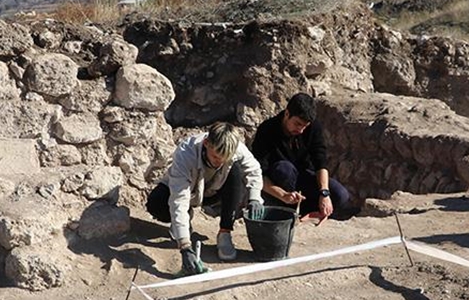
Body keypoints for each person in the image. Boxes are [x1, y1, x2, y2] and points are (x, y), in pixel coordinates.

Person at [146, 122, 263, 275]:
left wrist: (255, 198)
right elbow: (178, 200)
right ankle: (184, 222)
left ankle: (225, 232)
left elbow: (254, 170)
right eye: (215, 156)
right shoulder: (185, 153)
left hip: (215, 191)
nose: (219, 162)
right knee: (156, 203)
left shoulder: (235, 147)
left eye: (223, 158)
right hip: (189, 193)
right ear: (206, 143)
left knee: (235, 170)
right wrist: (185, 247)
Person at [250, 92, 349, 223]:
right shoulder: (267, 130)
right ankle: (292, 210)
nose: (301, 130)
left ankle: (311, 212)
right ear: (287, 114)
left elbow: (320, 162)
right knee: (283, 169)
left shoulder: (313, 128)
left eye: (305, 126)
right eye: (297, 124)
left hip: (304, 178)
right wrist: (283, 195)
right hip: (278, 187)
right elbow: (259, 174)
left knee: (341, 196)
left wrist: (324, 194)